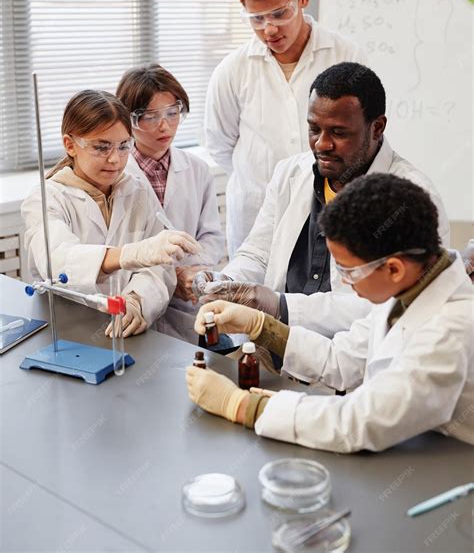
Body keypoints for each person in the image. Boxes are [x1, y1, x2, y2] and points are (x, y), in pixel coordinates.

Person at [186, 174, 474, 453]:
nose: (345, 282)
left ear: (394, 269)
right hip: (410, 448)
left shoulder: (451, 329)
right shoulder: (410, 288)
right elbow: (343, 359)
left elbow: (362, 421)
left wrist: (240, 406)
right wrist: (263, 327)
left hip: (448, 470)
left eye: (349, 271)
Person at [195, 63, 450, 338]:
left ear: (377, 128)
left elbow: (389, 307)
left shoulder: (411, 199)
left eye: (339, 133)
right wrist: (228, 281)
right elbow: (257, 253)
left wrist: (278, 304)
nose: (321, 144)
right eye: (314, 129)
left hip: (350, 360)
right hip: (275, 344)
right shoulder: (290, 173)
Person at [205, 0, 367, 257]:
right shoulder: (232, 71)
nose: (270, 29)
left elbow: (363, 138)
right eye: (257, 18)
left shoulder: (346, 57)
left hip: (331, 213)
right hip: (256, 222)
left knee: (326, 301)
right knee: (253, 301)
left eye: (280, 13)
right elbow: (220, 145)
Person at [22, 90, 199, 337]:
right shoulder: (46, 197)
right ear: (70, 145)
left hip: (129, 332)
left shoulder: (137, 190)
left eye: (124, 146)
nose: (115, 159)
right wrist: (129, 254)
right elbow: (57, 260)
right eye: (101, 147)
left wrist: (137, 300)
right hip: (69, 330)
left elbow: (160, 268)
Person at [116, 63, 227, 345]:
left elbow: (211, 236)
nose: (164, 126)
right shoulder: (115, 174)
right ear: (128, 119)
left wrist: (190, 274)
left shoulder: (197, 169)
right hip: (135, 303)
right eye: (150, 117)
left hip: (189, 307)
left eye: (172, 113)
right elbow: (113, 251)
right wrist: (169, 278)